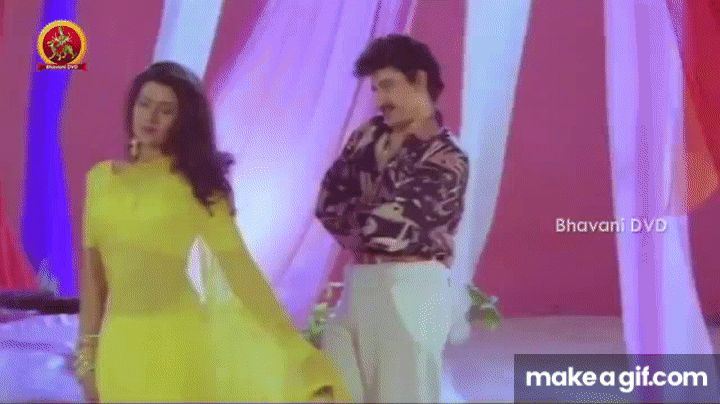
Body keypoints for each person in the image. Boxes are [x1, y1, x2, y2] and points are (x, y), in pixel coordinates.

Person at [75, 62, 350, 402]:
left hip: (178, 344)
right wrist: (87, 356)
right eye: (144, 104)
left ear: (183, 120)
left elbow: (242, 275)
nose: (151, 117)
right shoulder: (100, 180)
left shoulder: (198, 186)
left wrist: (302, 360)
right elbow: (93, 277)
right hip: (119, 347)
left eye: (166, 110)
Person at [315, 34, 470, 403]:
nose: (379, 99)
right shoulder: (367, 136)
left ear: (419, 80)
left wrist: (356, 216)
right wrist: (370, 219)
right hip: (357, 286)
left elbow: (390, 229)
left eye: (387, 85)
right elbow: (325, 204)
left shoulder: (448, 158)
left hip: (412, 290)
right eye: (375, 88)